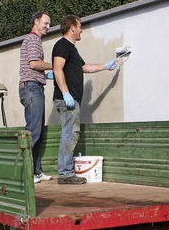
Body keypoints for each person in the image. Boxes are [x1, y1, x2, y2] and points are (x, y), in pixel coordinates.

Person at [52, 14, 117, 185]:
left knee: (71, 133)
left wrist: (105, 66)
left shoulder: (72, 48)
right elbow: (57, 69)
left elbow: (84, 68)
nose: (81, 30)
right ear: (72, 27)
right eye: (80, 26)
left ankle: (65, 172)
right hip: (67, 100)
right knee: (70, 134)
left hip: (72, 100)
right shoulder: (62, 45)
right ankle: (65, 174)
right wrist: (66, 94)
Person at [19, 12, 55, 184]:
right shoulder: (33, 39)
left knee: (37, 132)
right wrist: (57, 65)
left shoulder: (35, 40)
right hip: (32, 88)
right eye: (45, 23)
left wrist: (45, 76)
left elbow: (32, 67)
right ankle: (26, 173)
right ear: (36, 21)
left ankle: (36, 171)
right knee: (32, 132)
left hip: (34, 86)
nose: (48, 27)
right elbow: (34, 63)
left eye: (49, 24)